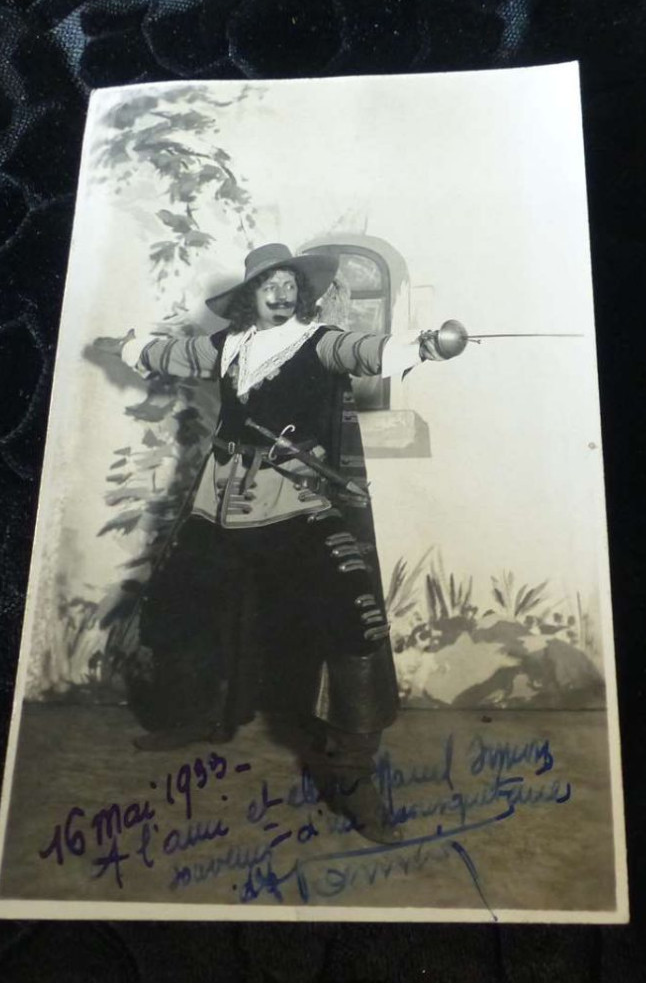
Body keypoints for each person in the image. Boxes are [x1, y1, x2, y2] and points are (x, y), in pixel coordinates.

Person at [104, 243, 460, 842]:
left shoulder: (319, 340)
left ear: (301, 290)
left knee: (353, 619)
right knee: (176, 603)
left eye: (289, 282)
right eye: (268, 283)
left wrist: (421, 347)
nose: (280, 292)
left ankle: (351, 772)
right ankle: (195, 714)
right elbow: (175, 356)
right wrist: (132, 346)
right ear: (250, 295)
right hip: (217, 501)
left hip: (292, 502)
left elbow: (366, 352)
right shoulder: (228, 346)